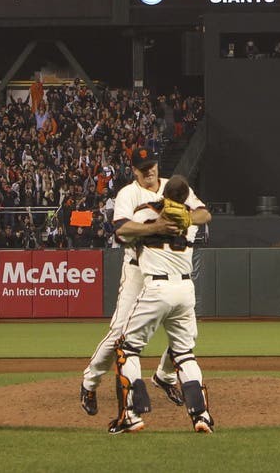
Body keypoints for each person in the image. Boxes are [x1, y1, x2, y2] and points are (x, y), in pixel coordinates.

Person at [79, 147, 197, 420]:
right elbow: (121, 228)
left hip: (169, 267)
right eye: (143, 168)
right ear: (134, 171)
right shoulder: (128, 194)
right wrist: (157, 227)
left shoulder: (173, 188)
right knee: (120, 332)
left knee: (186, 335)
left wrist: (188, 218)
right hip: (137, 270)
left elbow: (202, 213)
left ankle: (165, 377)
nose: (149, 171)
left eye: (152, 165)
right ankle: (90, 382)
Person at [107, 169, 213, 435]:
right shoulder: (190, 223)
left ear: (164, 194)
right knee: (185, 354)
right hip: (186, 290)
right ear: (186, 198)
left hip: (156, 287)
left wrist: (151, 227)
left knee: (127, 349)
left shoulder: (144, 213)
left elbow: (121, 233)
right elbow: (202, 214)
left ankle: (131, 415)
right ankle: (202, 416)